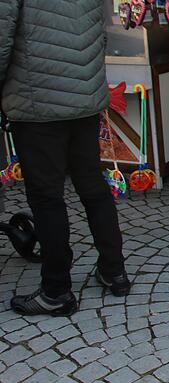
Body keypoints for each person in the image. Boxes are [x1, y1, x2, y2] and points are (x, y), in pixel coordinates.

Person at [0, 0, 131, 317]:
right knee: (92, 187)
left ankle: (56, 289)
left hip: (38, 100)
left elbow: (3, 37)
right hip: (82, 99)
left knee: (47, 198)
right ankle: (114, 270)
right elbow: (99, 34)